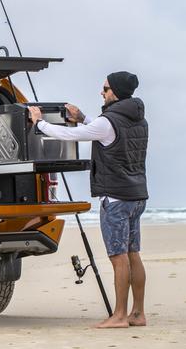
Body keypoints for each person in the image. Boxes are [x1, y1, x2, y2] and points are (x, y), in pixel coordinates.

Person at [29, 71, 149, 329]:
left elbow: (70, 135)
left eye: (105, 88)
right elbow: (102, 129)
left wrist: (39, 123)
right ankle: (137, 313)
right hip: (137, 196)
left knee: (119, 257)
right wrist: (82, 117)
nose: (101, 92)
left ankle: (119, 315)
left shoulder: (108, 121)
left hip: (115, 199)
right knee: (133, 253)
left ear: (114, 91)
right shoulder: (138, 119)